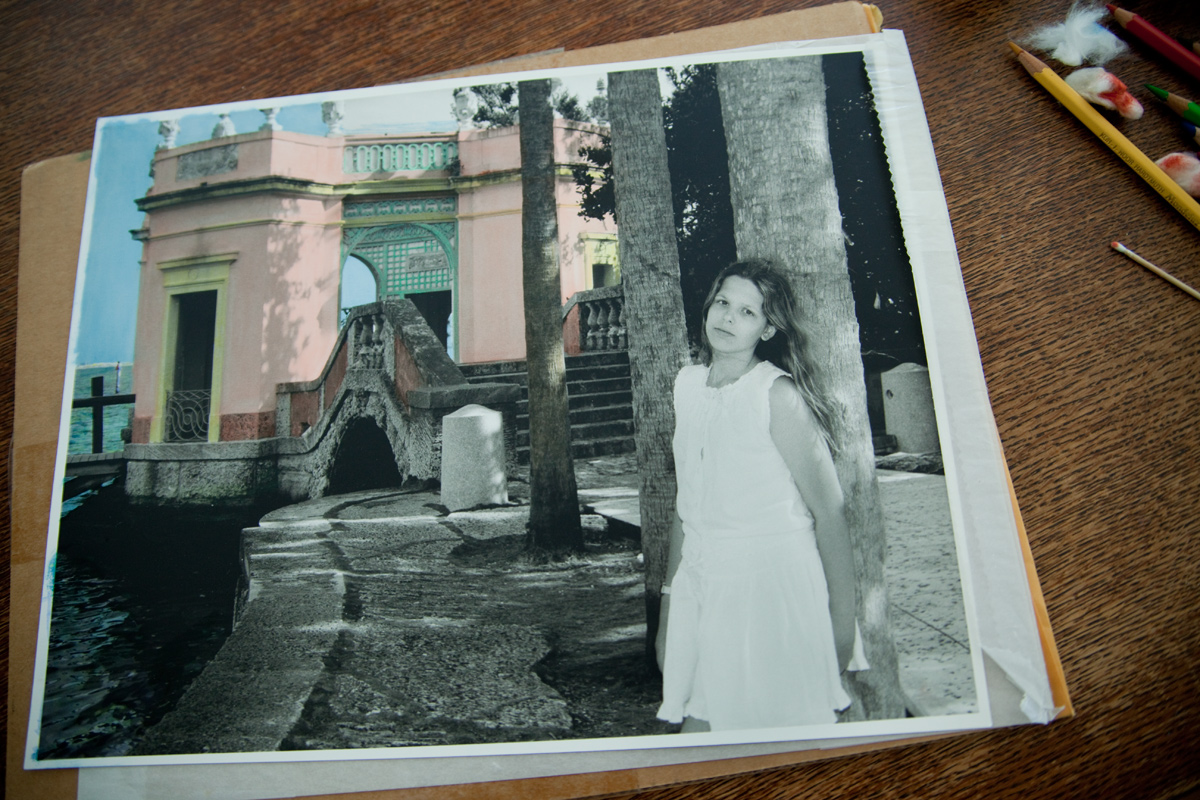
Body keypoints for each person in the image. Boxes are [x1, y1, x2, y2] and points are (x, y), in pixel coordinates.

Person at [655, 259, 866, 733]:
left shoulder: (775, 395)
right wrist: (670, 611)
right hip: (703, 583)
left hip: (770, 591)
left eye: (747, 312)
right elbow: (687, 508)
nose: (728, 317)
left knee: (761, 740)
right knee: (709, 735)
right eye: (723, 302)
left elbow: (829, 513)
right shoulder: (687, 386)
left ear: (768, 329)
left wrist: (842, 627)